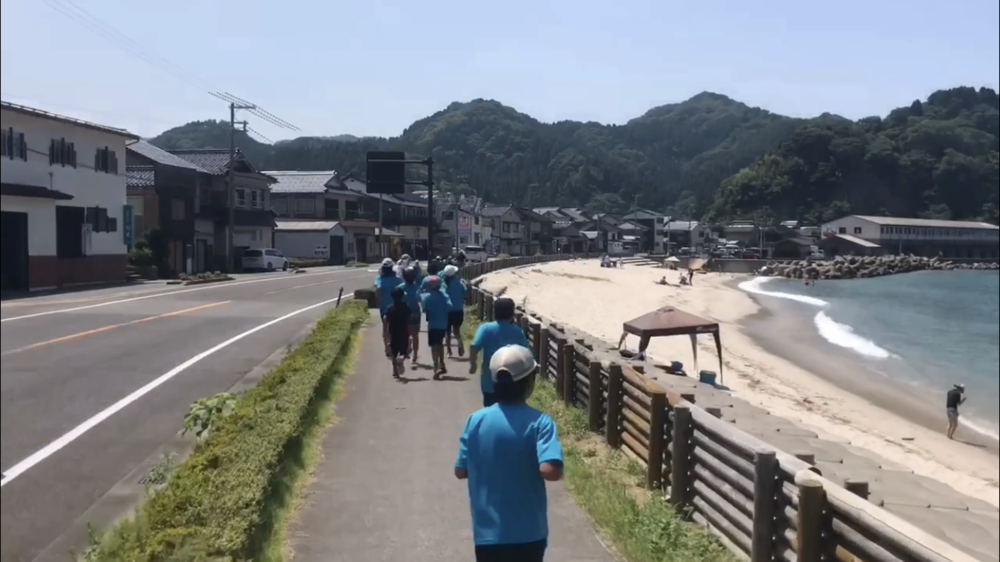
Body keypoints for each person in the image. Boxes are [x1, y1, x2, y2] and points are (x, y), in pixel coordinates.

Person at [455, 344, 563, 562]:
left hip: (487, 534)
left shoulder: (475, 420)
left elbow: (461, 470)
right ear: (530, 383)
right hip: (529, 533)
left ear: (495, 383)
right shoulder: (540, 422)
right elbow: (549, 470)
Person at [469, 297, 530, 407]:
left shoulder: (486, 329)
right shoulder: (517, 332)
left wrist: (473, 364)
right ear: (512, 313)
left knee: (490, 410)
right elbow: (526, 353)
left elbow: (474, 347)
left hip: (489, 381)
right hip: (513, 382)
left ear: (495, 311)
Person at [421, 275, 452, 377]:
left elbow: (424, 309)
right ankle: (442, 363)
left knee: (434, 346)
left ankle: (435, 366)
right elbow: (449, 306)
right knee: (440, 343)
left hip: (432, 324)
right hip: (443, 324)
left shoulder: (427, 297)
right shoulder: (445, 295)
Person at [382, 287, 411, 380]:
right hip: (404, 332)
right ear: (402, 296)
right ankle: (401, 359)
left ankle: (395, 370)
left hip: (392, 333)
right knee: (404, 351)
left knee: (393, 352)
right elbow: (409, 319)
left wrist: (385, 334)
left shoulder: (389, 308)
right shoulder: (406, 307)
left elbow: (385, 319)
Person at [376, 258, 403, 352]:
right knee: (396, 327)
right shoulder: (397, 279)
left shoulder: (379, 278)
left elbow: (378, 292)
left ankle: (387, 348)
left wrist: (378, 301)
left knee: (385, 327)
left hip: (384, 307)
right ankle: (395, 345)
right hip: (396, 306)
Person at [442, 264, 468, 357]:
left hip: (447, 310)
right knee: (456, 330)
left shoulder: (443, 284)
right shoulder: (460, 282)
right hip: (458, 309)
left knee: (447, 332)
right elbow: (466, 294)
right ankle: (460, 342)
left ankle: (449, 351)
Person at [402, 266, 423, 365]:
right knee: (415, 335)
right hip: (415, 313)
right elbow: (420, 299)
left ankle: (406, 350)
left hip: (403, 314)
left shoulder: (400, 287)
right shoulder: (417, 287)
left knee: (404, 333)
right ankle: (415, 355)